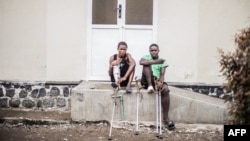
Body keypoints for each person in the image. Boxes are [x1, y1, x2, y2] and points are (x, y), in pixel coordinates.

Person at [139, 43, 175, 130]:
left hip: (157, 80)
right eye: (151, 50)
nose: (153, 52)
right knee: (146, 64)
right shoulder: (146, 57)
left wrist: (161, 82)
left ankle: (166, 118)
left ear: (158, 51)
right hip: (146, 81)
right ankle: (150, 86)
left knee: (166, 90)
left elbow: (162, 74)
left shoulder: (163, 61)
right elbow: (141, 62)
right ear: (149, 51)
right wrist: (155, 62)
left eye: (155, 50)